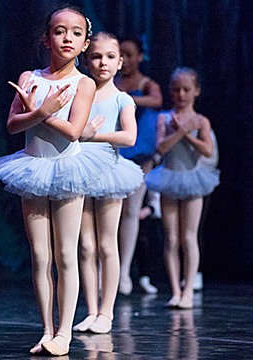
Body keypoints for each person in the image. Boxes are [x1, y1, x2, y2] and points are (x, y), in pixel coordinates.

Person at [0, 7, 116, 356]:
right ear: (46, 38)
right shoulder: (30, 76)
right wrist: (36, 111)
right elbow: (12, 125)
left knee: (66, 253)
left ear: (84, 44)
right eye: (60, 31)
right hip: (32, 168)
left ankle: (64, 332)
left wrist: (43, 113)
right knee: (39, 255)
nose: (67, 38)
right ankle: (47, 329)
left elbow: (75, 132)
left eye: (75, 33)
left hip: (67, 169)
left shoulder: (84, 82)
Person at [72, 32, 143, 333]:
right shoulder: (79, 92)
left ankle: (108, 312)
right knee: (85, 246)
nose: (103, 63)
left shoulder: (121, 98)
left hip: (109, 172)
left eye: (110, 57)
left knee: (106, 243)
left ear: (120, 62)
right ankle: (91, 311)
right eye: (97, 56)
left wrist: (91, 135)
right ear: (86, 60)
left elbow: (129, 137)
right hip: (79, 171)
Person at [145, 67, 220, 309]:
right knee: (172, 238)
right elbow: (161, 148)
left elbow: (207, 150)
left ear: (196, 91)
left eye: (186, 89)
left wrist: (187, 133)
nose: (181, 94)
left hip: (192, 179)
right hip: (169, 178)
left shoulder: (201, 121)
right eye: (176, 89)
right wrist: (179, 131)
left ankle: (188, 289)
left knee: (189, 237)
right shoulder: (163, 118)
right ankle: (175, 290)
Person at [115, 35, 163, 295]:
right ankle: (107, 270)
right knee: (111, 211)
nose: (125, 60)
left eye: (129, 54)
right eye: (120, 54)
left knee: (132, 211)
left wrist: (127, 99)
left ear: (140, 56)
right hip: (114, 151)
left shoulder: (146, 84)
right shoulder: (111, 81)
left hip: (140, 151)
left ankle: (124, 272)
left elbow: (157, 100)